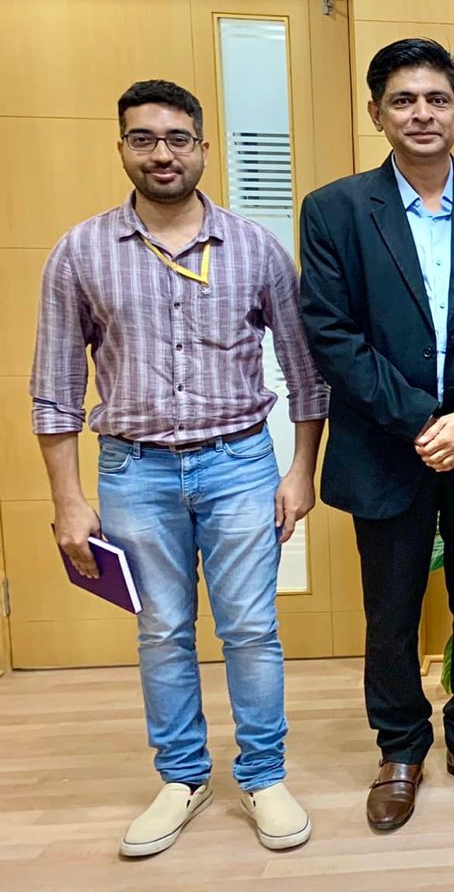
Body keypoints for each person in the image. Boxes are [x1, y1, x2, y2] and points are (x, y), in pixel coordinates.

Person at [31, 80, 326, 856]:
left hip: (239, 465)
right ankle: (184, 778)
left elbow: (305, 373)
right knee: (161, 632)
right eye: (143, 138)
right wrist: (68, 500)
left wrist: (301, 472)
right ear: (123, 147)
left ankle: (262, 776)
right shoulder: (81, 251)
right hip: (134, 473)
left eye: (177, 138)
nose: (162, 153)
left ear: (202, 147)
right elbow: (55, 387)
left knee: (252, 631)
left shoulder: (255, 247)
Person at [299, 38, 454, 829]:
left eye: (436, 99)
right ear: (376, 113)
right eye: (403, 101)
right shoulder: (335, 209)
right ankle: (400, 748)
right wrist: (424, 421)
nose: (421, 114)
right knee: (392, 612)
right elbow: (331, 333)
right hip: (387, 445)